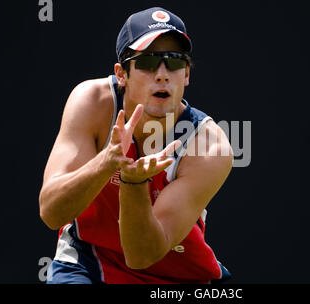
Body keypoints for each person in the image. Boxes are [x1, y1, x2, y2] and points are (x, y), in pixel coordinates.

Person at [39, 7, 233, 284]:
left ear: (187, 75)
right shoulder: (93, 102)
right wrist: (107, 161)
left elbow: (142, 256)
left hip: (178, 278)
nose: (163, 74)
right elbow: (51, 212)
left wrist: (133, 184)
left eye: (175, 62)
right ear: (122, 74)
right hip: (88, 263)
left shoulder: (211, 146)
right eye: (147, 62)